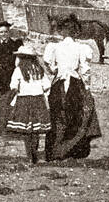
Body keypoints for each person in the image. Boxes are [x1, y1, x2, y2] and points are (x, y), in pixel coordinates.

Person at [43, 17, 101, 160]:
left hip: (59, 83)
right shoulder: (82, 48)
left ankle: (55, 151)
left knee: (57, 115)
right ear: (75, 32)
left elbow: (49, 67)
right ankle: (73, 150)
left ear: (62, 32)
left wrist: (56, 70)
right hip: (75, 82)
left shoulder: (54, 47)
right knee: (78, 115)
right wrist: (87, 87)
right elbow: (85, 70)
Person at [7, 43, 52, 163]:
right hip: (38, 101)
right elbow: (47, 85)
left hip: (24, 101)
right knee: (36, 130)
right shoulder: (39, 70)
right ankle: (35, 153)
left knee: (26, 130)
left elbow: (13, 86)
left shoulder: (18, 70)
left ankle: (30, 155)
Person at [0, 21, 23, 136]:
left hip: (12, 80)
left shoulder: (15, 44)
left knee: (12, 107)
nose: (4, 34)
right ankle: (1, 133)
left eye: (6, 32)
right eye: (1, 32)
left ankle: (11, 133)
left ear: (9, 32)